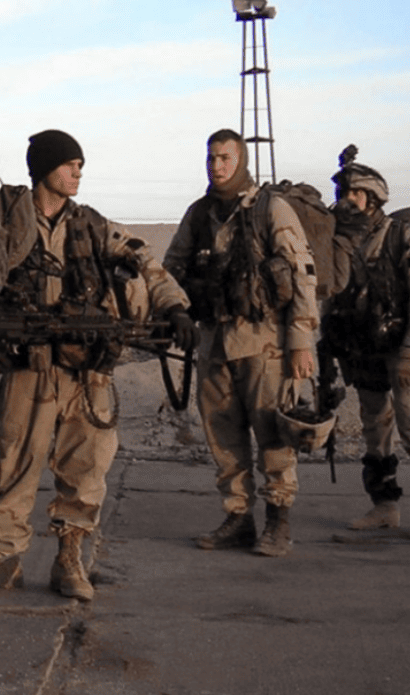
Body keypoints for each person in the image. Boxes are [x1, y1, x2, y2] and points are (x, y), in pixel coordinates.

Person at [0, 130, 197, 600]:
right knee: (16, 464)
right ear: (44, 169)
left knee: (87, 469)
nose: (78, 172)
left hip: (86, 371)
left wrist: (174, 305)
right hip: (28, 368)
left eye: (80, 164)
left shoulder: (94, 226)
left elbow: (145, 262)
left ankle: (69, 557)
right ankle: (2, 559)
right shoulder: (5, 224)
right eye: (69, 163)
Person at [164, 129, 319, 557]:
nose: (217, 166)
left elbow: (302, 275)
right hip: (213, 342)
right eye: (211, 157)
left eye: (225, 158)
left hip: (265, 342)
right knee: (224, 438)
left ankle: (278, 520)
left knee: (274, 436)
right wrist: (171, 310)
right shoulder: (199, 214)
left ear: (242, 160)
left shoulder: (272, 209)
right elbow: (171, 269)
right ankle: (238, 518)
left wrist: (301, 342)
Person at [325, 152, 410, 539]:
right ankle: (384, 506)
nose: (345, 199)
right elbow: (333, 295)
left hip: (401, 350)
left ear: (373, 198)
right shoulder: (343, 242)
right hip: (363, 350)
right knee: (374, 430)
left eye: (353, 193)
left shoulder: (403, 239)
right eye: (343, 192)